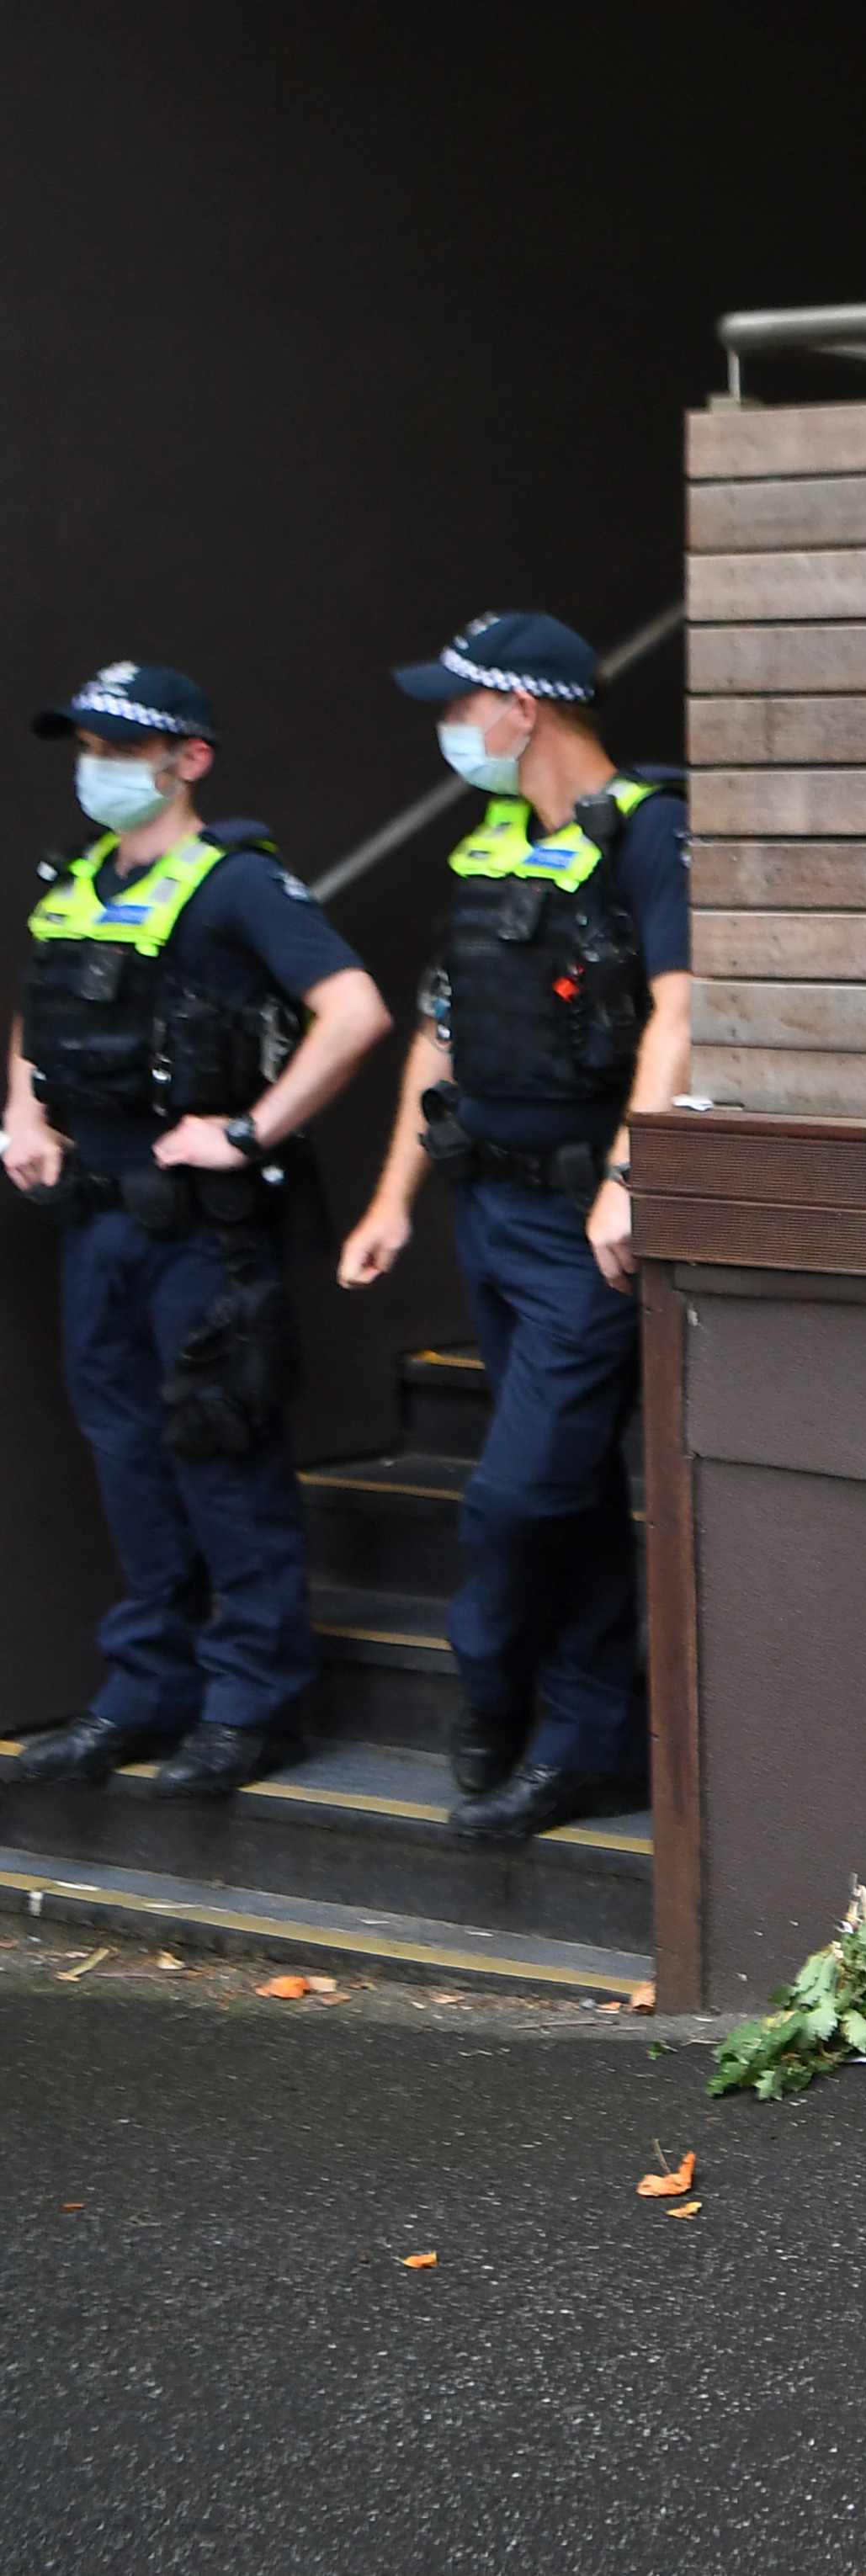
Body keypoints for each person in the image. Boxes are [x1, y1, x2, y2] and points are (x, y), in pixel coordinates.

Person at [3, 665, 388, 1796]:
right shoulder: (74, 883)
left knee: (221, 1454)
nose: (99, 766)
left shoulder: (238, 886)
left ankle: (253, 1706)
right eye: (87, 745)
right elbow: (44, 1007)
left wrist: (251, 1129)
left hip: (204, 1239)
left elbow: (355, 1011)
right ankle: (144, 1693)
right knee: (127, 1463)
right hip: (97, 1225)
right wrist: (25, 1113)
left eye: (123, 747)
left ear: (190, 758)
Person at [335, 615, 683, 1844]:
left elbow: (683, 1012)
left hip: (586, 1219)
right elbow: (441, 1028)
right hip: (488, 1201)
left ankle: (488, 1687)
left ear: (522, 709)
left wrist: (631, 1176)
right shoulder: (492, 844)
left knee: (517, 1494)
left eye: (460, 702)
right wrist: (392, 1198)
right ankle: (589, 1746)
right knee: (570, 1488)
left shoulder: (651, 830)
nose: (449, 727)